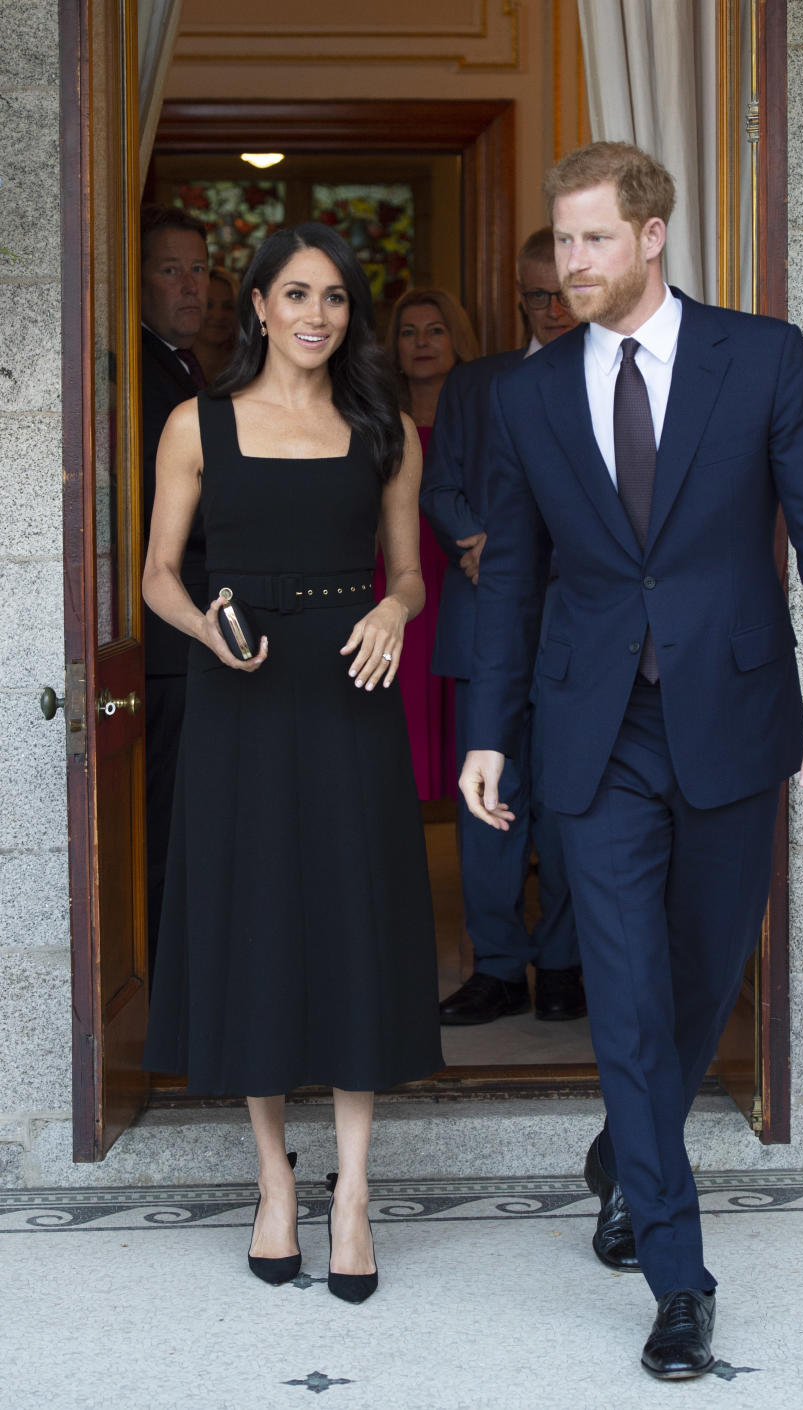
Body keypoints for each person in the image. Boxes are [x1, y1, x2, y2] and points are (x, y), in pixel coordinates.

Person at [459, 142, 803, 1379]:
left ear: (652, 235)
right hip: (597, 731)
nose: (570, 263)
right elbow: (515, 574)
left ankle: (621, 1154)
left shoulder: (764, 357)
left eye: (592, 239)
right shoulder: (529, 395)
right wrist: (489, 727)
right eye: (560, 239)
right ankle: (679, 1278)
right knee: (630, 993)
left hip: (736, 719)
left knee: (700, 978)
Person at [141, 223, 443, 1303]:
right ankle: (275, 1178)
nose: (318, 315)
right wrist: (202, 625)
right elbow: (158, 577)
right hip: (241, 689)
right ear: (259, 305)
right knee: (254, 924)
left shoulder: (386, 432)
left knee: (354, 923)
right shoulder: (197, 424)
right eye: (297, 295)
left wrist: (396, 614)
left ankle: (353, 1190)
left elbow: (408, 574)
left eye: (336, 298)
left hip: (351, 691)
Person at [421, 229, 584, 1024]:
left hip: (580, 628)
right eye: (536, 295)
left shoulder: (611, 377)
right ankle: (494, 967)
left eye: (565, 292)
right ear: (516, 297)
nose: (552, 310)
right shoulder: (475, 383)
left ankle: (561, 965)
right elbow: (440, 482)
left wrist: (526, 554)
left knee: (566, 800)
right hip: (484, 619)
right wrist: (477, 540)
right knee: (486, 803)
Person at [140, 205, 211, 978]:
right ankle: (166, 987)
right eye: (170, 270)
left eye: (198, 269)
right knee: (167, 821)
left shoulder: (191, 365)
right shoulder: (140, 374)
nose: (190, 287)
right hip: (165, 637)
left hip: (195, 635)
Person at [374, 289, 479, 800]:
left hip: (465, 570)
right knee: (405, 701)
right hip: (395, 574)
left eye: (435, 330)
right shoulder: (373, 419)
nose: (421, 342)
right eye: (408, 332)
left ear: (457, 340)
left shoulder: (484, 412)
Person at [193, 265, 238, 384]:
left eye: (228, 307)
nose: (218, 315)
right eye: (209, 305)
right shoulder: (170, 366)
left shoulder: (248, 370)